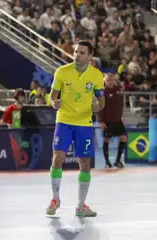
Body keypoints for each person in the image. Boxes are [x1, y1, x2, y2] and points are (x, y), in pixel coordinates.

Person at [47, 40, 105, 217]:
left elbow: (101, 101)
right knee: (58, 158)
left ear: (89, 57)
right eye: (76, 52)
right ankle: (55, 199)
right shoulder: (62, 72)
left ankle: (81, 206)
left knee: (84, 163)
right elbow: (51, 97)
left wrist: (98, 107)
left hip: (84, 123)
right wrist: (53, 103)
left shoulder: (96, 76)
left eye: (81, 53)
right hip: (64, 120)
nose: (77, 55)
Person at [98, 73, 126, 168]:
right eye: (108, 80)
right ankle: (107, 162)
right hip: (108, 120)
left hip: (118, 119)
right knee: (107, 139)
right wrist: (101, 121)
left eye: (112, 80)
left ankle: (117, 161)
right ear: (105, 81)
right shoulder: (102, 92)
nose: (110, 82)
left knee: (123, 138)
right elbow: (100, 107)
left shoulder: (117, 90)